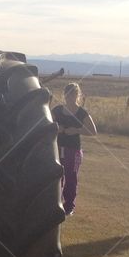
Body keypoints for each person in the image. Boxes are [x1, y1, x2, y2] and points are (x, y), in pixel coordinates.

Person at [52, 83, 98, 215]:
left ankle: (69, 206)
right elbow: (46, 123)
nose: (69, 97)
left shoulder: (81, 113)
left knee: (71, 177)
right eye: (67, 94)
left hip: (74, 150)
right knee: (56, 176)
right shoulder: (57, 110)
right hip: (57, 148)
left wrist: (76, 130)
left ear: (77, 95)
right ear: (64, 94)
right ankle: (55, 202)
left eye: (73, 94)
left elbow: (93, 131)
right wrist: (56, 127)